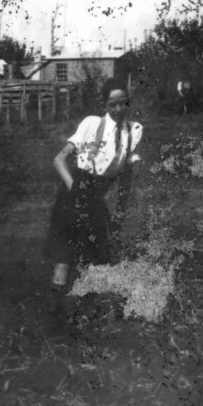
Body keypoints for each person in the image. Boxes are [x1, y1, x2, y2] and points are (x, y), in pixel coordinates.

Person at [45, 88, 143, 298]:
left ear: (128, 104)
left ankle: (91, 310)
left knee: (99, 254)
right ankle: (56, 310)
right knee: (65, 255)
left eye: (122, 103)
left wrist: (120, 211)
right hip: (74, 192)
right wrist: (73, 188)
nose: (118, 109)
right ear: (105, 106)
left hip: (97, 196)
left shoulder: (133, 131)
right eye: (112, 104)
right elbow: (59, 160)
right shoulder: (92, 123)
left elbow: (125, 178)